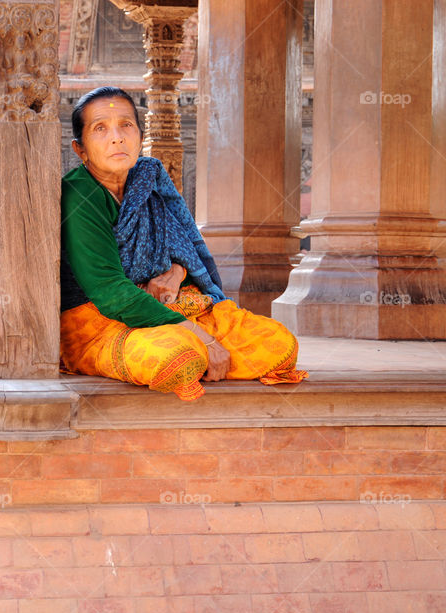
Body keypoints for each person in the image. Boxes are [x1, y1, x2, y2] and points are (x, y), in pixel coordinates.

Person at [60, 86, 307, 401]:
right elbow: (109, 292)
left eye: (126, 125)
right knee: (179, 359)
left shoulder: (147, 179)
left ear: (139, 134)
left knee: (278, 344)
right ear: (80, 150)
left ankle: (200, 350)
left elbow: (183, 250)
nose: (117, 137)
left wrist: (176, 274)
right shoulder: (80, 194)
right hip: (99, 321)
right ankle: (198, 352)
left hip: (167, 305)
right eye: (100, 128)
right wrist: (201, 337)